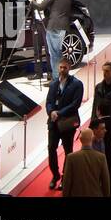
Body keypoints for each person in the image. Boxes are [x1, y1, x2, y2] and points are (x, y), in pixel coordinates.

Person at [45, 58, 83, 191]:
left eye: (65, 68)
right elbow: (49, 101)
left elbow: (75, 104)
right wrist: (51, 112)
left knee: (68, 151)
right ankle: (55, 175)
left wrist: (59, 113)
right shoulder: (54, 83)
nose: (62, 70)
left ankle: (65, 177)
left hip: (67, 123)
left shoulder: (77, 84)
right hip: (54, 123)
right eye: (60, 67)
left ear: (69, 68)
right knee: (51, 148)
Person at [61, 127, 110, 197]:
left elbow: (67, 182)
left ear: (80, 139)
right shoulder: (101, 157)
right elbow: (105, 182)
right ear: (92, 138)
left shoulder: (71, 157)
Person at [42, 0, 73, 73]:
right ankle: (63, 74)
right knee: (58, 52)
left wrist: (31, 0)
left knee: (54, 54)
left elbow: (40, 6)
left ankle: (56, 78)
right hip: (63, 26)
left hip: (53, 26)